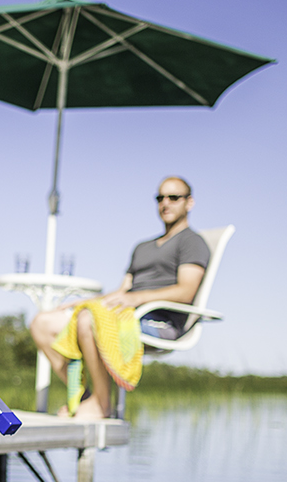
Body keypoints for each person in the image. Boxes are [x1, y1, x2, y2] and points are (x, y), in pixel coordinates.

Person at [29, 176, 209, 419]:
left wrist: (137, 299)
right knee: (42, 323)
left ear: (189, 202)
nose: (165, 203)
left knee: (87, 320)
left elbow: (186, 292)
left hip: (159, 321)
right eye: (160, 198)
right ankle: (85, 397)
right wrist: (85, 302)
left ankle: (102, 405)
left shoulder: (192, 242)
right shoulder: (142, 247)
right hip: (125, 312)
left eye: (174, 197)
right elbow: (122, 290)